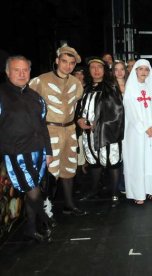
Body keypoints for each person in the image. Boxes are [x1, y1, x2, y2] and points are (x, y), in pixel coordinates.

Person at [0, 56, 54, 241]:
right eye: (17, 70)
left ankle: (31, 228)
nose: (22, 74)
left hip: (38, 151)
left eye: (25, 70)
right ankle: (44, 218)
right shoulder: (1, 94)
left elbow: (43, 125)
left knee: (35, 189)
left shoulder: (36, 97)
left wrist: (48, 151)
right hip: (16, 153)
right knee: (33, 190)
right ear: (8, 72)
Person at [29, 45, 86, 216]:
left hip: (69, 131)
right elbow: (30, 105)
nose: (68, 66)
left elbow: (75, 106)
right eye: (64, 61)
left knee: (69, 168)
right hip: (50, 131)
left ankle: (69, 204)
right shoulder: (40, 81)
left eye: (71, 63)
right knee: (49, 171)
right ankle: (46, 210)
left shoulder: (76, 84)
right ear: (57, 61)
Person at [77, 57, 124, 202]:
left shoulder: (111, 86)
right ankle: (94, 190)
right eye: (93, 67)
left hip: (107, 132)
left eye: (99, 67)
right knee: (94, 162)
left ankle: (115, 192)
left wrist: (101, 124)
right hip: (88, 133)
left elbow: (118, 111)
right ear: (88, 70)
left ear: (104, 70)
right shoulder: (85, 88)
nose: (96, 70)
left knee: (112, 162)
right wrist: (79, 119)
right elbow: (79, 108)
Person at [123, 59, 152, 205]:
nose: (144, 72)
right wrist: (144, 127)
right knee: (137, 160)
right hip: (136, 131)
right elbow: (131, 112)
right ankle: (138, 192)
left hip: (150, 130)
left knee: (151, 160)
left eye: (146, 69)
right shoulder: (131, 87)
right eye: (141, 69)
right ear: (136, 71)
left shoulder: (151, 87)